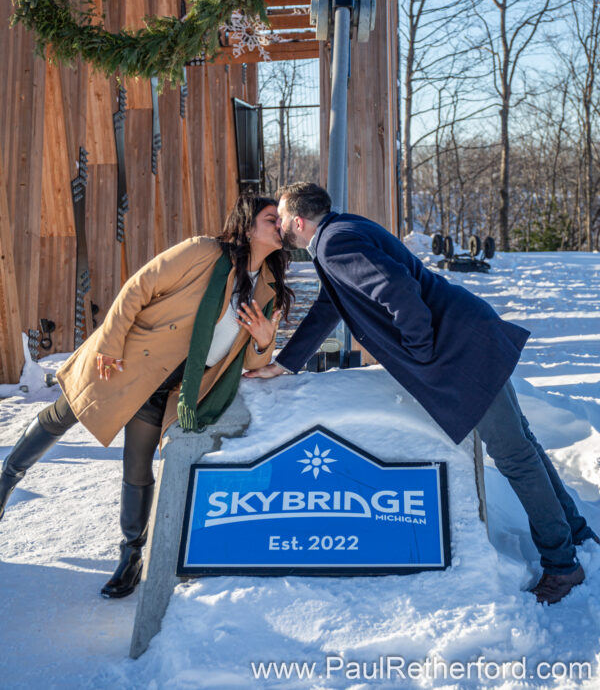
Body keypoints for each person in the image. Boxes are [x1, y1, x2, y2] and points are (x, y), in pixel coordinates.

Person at [245, 182, 598, 605]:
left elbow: (397, 291)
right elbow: (331, 305)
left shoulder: (335, 243)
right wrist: (287, 362)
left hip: (460, 353)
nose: (280, 226)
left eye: (281, 218)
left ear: (297, 221)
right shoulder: (338, 234)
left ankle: (562, 564)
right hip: (469, 337)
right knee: (522, 446)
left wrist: (420, 353)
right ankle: (575, 531)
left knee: (514, 456)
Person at [0, 194, 292, 599]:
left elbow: (247, 362)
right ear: (247, 224)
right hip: (128, 359)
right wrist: (110, 345)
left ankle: (131, 555)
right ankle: (7, 479)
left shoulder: (268, 289)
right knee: (62, 415)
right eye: (270, 217)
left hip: (172, 385)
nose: (280, 224)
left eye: (281, 219)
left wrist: (263, 342)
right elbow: (139, 287)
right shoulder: (203, 251)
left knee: (137, 466)